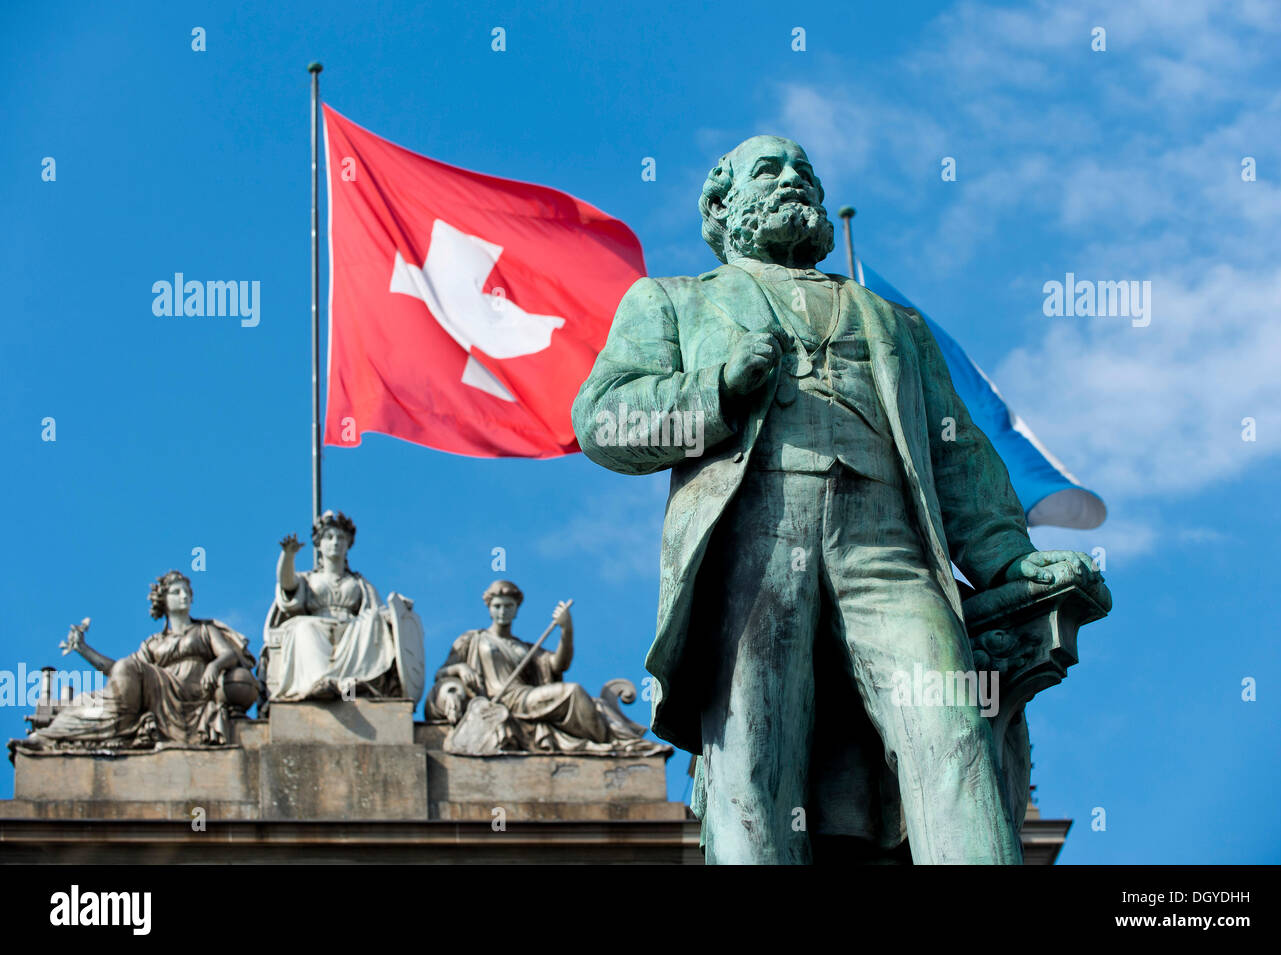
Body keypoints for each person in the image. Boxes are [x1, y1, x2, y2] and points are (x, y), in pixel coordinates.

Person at [572, 135, 1099, 864]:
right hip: (753, 542)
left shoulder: (894, 323)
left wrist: (1009, 557)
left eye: (805, 171)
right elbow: (604, 420)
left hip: (888, 545)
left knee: (951, 723)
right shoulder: (674, 300)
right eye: (770, 169)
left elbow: (958, 457)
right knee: (754, 758)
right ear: (721, 206)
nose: (794, 180)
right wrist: (717, 389)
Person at [21, 570, 256, 750]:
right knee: (88, 702)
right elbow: (118, 671)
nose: (184, 596)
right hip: (158, 694)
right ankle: (50, 736)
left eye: (187, 592)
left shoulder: (204, 630)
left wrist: (215, 665)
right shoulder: (153, 642)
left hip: (190, 693)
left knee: (126, 674)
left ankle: (91, 728)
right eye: (177, 592)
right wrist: (84, 649)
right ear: (163, 601)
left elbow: (229, 654)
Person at [428, 580, 659, 753]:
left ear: (516, 609)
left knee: (574, 692)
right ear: (489, 607)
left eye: (508, 606)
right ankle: (609, 741)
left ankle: (612, 741)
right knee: (573, 692)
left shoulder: (526, 648)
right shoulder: (472, 640)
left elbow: (560, 663)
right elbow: (442, 673)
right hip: (501, 700)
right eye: (497, 606)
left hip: (524, 697)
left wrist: (566, 630)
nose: (502, 611)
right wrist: (459, 669)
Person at [264, 510, 418, 700]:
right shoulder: (309, 579)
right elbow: (287, 584)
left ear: (348, 545)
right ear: (319, 544)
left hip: (351, 629)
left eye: (341, 538)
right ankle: (319, 683)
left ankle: (352, 688)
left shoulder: (360, 583)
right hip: (318, 626)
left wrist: (398, 611)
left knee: (371, 620)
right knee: (303, 628)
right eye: (329, 537)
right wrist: (288, 556)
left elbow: (379, 610)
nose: (335, 542)